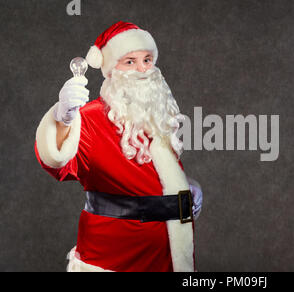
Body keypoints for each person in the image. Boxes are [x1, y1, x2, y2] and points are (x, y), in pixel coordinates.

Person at [34, 21, 202, 272]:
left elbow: (147, 177)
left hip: (164, 254)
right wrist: (63, 117)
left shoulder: (155, 116)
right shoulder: (90, 118)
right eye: (130, 62)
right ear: (112, 69)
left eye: (147, 59)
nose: (143, 69)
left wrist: (184, 190)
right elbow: (58, 163)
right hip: (114, 255)